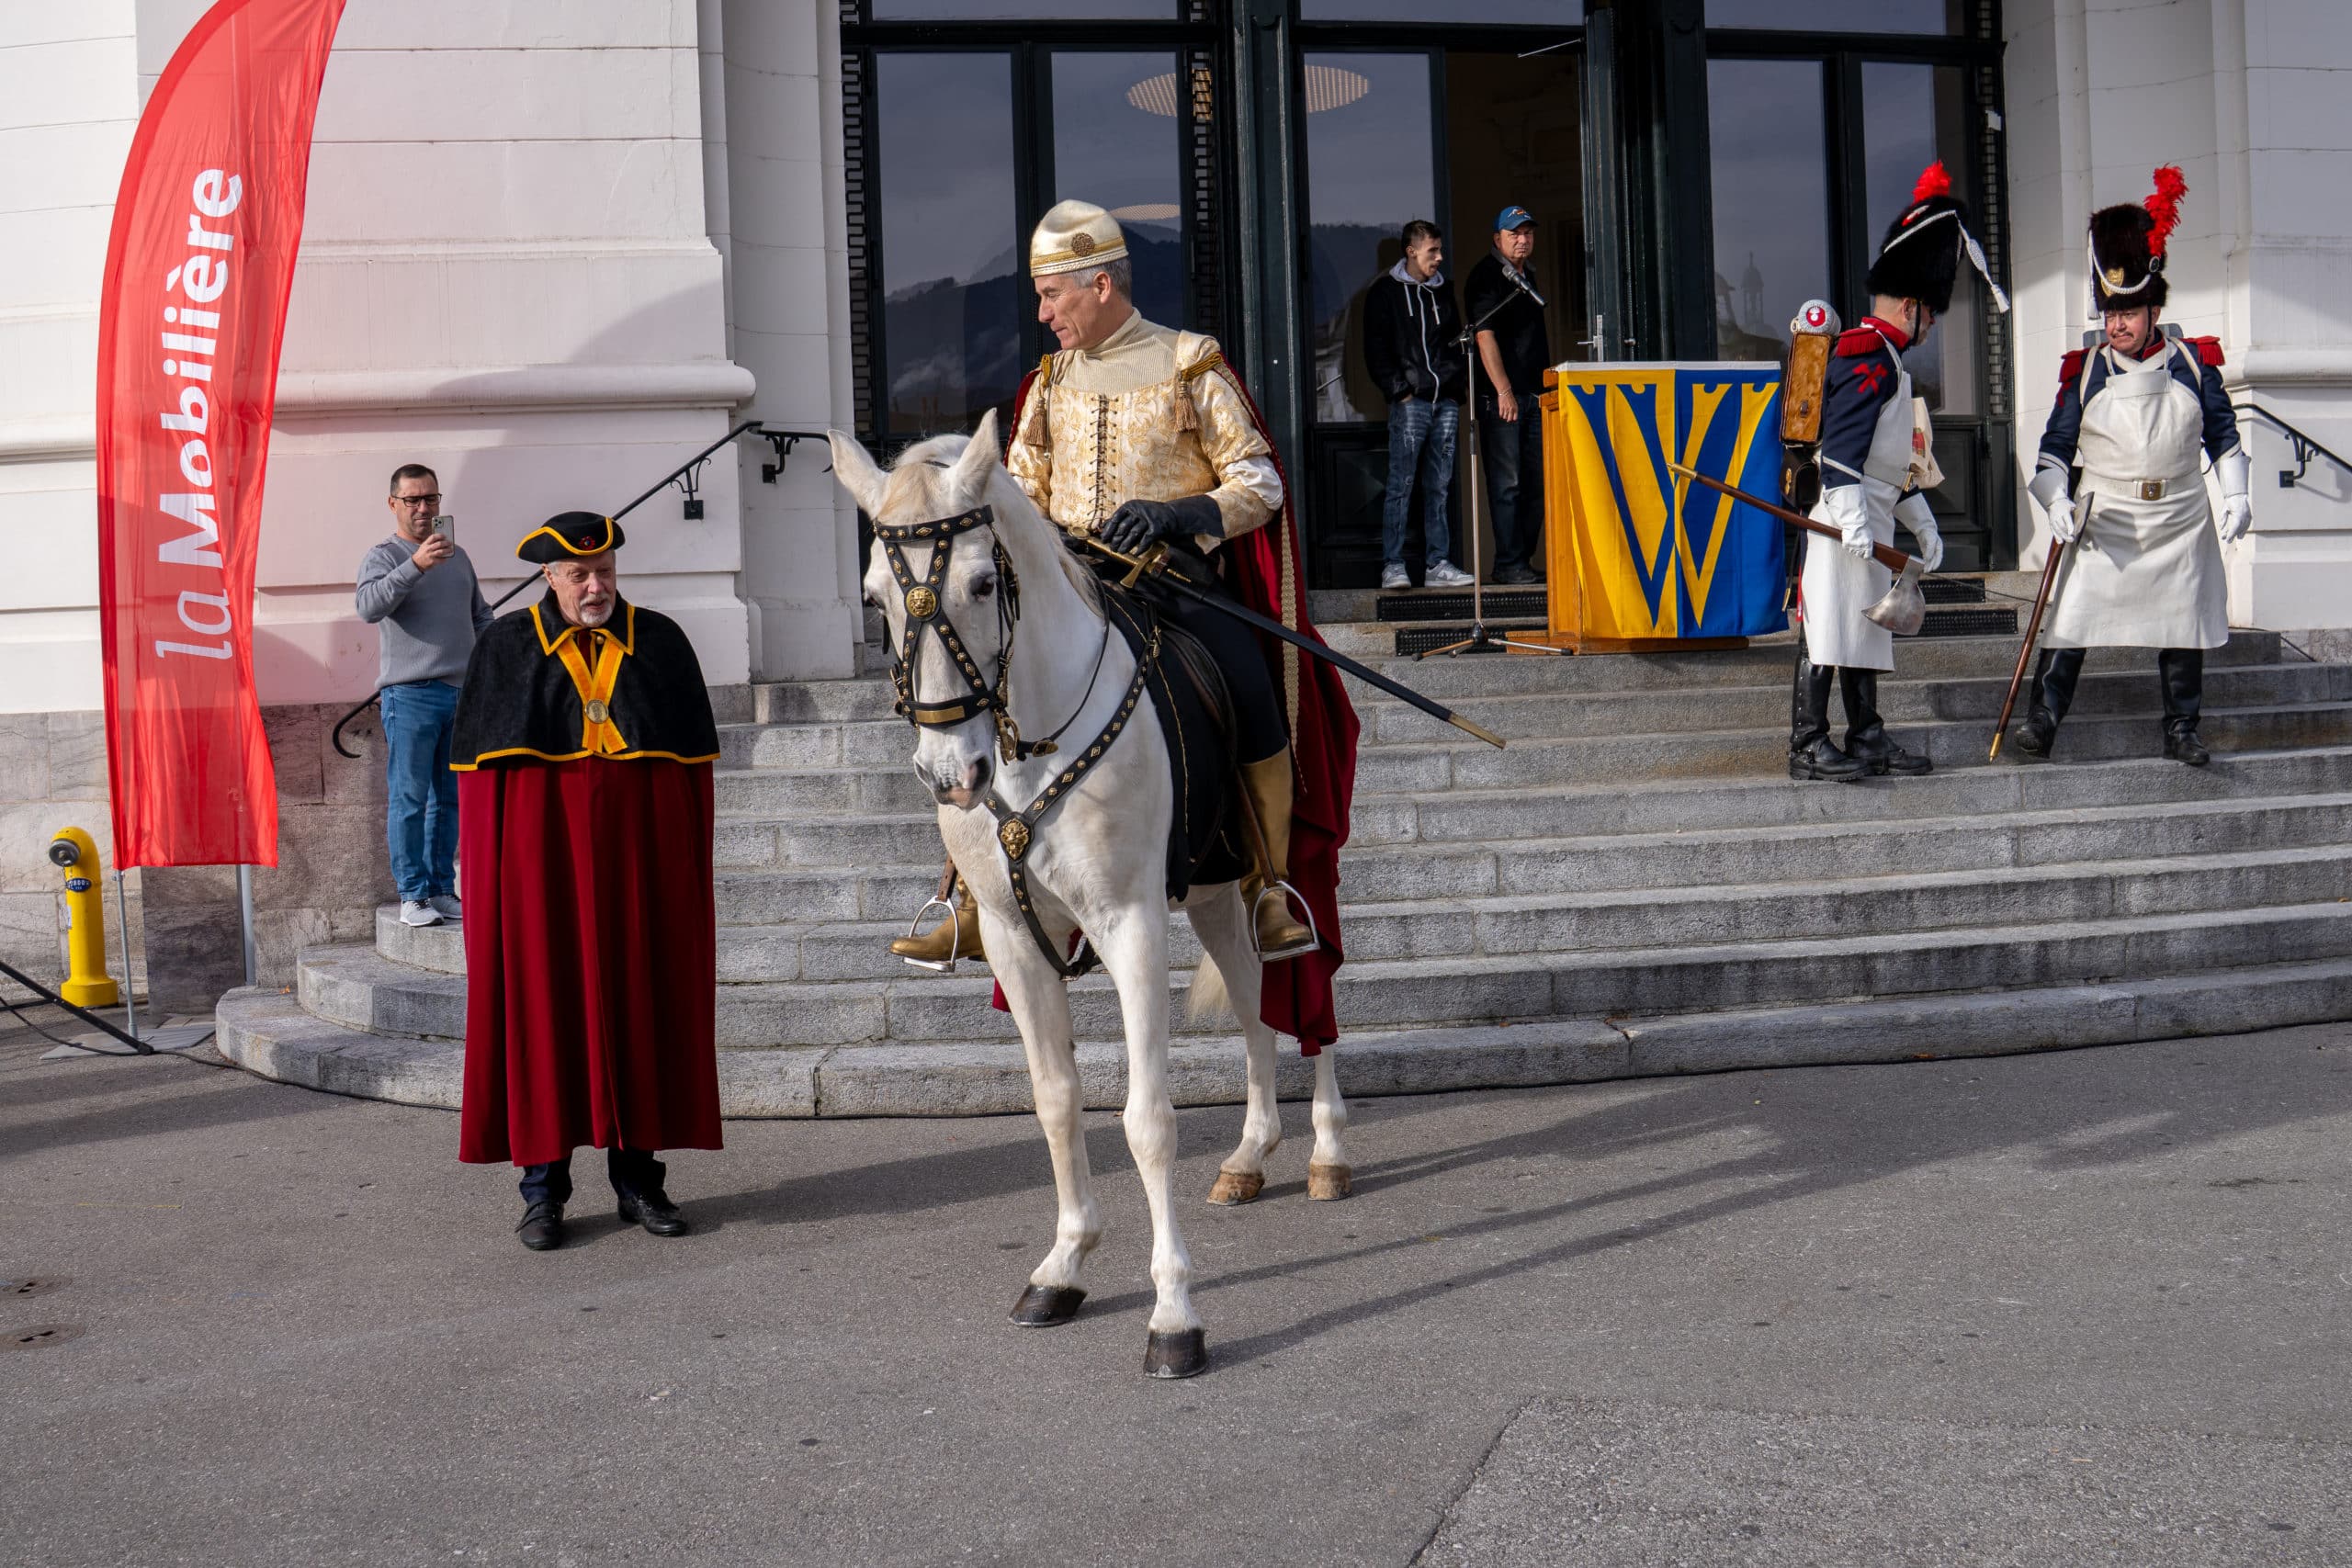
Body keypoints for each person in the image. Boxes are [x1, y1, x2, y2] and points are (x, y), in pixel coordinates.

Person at [894, 199, 1361, 1050]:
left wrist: (1181, 513)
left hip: (1172, 585)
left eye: (1052, 295)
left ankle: (1267, 882)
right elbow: (1017, 493)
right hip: (1069, 591)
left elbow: (1259, 483)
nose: (1043, 313)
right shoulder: (1046, 385)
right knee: (985, 694)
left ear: (1100, 285)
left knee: (1250, 686)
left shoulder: (1190, 363)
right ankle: (964, 891)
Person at [449, 513, 723, 1251]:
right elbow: (481, 793)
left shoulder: (660, 642)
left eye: (604, 571)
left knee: (640, 1003)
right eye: (579, 575)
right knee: (545, 1009)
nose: (595, 586)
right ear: (549, 576)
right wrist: (488, 884)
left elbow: (689, 783)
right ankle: (543, 1193)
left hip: (640, 869)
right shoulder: (506, 648)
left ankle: (640, 1183)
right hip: (542, 872)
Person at [2014, 167, 2247, 767]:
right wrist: (2056, 500)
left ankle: (2182, 728)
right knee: (2070, 621)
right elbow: (2053, 450)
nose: (2117, 324)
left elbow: (2223, 436)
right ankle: (2042, 719)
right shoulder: (2085, 370)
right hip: (2107, 518)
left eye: (2129, 312)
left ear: (2153, 308)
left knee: (2184, 624)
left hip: (2181, 517)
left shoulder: (2193, 364)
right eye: (2110, 312)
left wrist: (2238, 495)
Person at [1790, 162, 2007, 782]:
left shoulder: (1890, 360)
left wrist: (1922, 522)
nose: (1932, 326)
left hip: (1871, 515)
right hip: (1844, 518)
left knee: (1865, 634)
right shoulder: (1868, 355)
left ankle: (1867, 739)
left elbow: (1893, 465)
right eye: (1930, 314)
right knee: (1828, 631)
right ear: (1910, 306)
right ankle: (1807, 744)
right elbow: (1842, 452)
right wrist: (1855, 521)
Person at [354, 463, 491, 927]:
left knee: (448, 800)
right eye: (412, 499)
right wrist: (415, 566)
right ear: (393, 503)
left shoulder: (458, 556)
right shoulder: (383, 556)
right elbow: (368, 607)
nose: (423, 508)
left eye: (430, 498)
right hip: (410, 695)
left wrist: (495, 660)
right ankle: (412, 895)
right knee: (409, 800)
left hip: (461, 693)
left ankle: (439, 889)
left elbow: (480, 616)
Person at [1363, 220, 1474, 592]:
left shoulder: (1443, 291)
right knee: (1402, 484)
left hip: (1445, 402)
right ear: (1411, 251)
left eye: (1440, 250)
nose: (1439, 258)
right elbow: (1375, 349)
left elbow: (1454, 342)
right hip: (1411, 404)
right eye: (1432, 251)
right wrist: (1400, 392)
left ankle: (1437, 564)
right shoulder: (1384, 293)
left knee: (1439, 486)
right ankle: (1393, 565)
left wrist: (1454, 389)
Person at [1463, 205, 1551, 586]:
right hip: (1503, 399)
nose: (1523, 240)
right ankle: (1509, 564)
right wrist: (1503, 391)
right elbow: (1484, 337)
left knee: (1537, 484)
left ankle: (1521, 561)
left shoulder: (1528, 275)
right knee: (1508, 484)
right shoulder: (1486, 276)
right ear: (1497, 238)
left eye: (1528, 233)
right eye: (1515, 233)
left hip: (1535, 396)